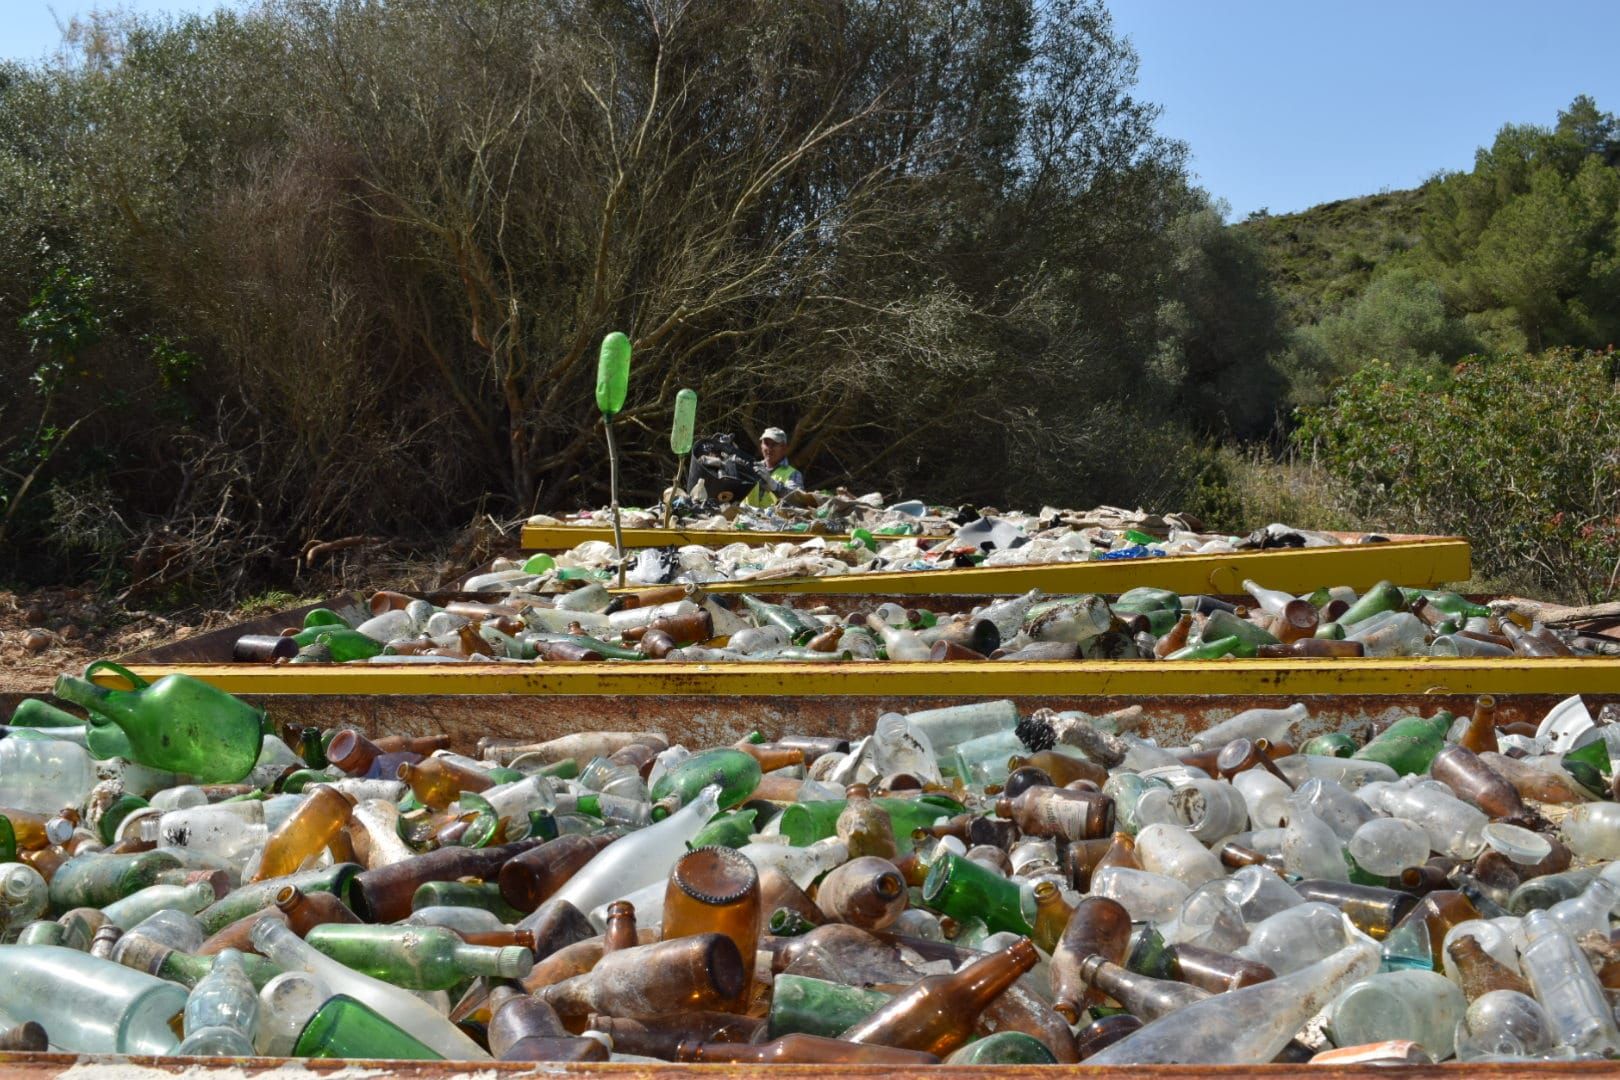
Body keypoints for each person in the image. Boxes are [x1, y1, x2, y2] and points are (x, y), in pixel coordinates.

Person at [743, 426, 805, 508]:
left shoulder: (793, 474)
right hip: (744, 518)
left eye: (774, 444)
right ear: (761, 446)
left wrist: (773, 484)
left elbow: (797, 501)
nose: (769, 448)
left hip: (773, 520)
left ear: (784, 447)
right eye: (766, 443)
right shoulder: (752, 468)